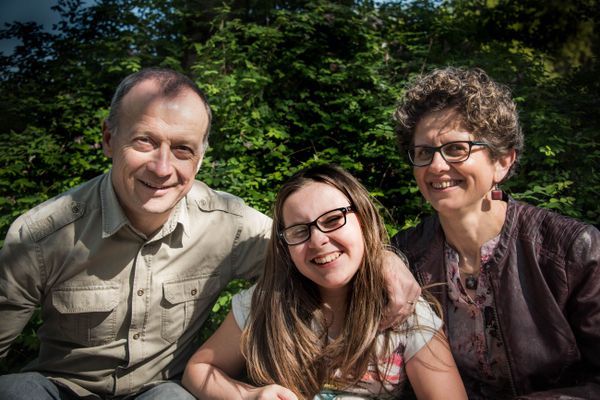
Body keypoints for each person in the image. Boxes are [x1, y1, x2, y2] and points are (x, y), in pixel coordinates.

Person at [0, 68, 419, 399]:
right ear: (110, 140)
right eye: (145, 142)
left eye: (182, 149)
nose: (163, 168)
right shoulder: (42, 236)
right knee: (15, 390)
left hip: (161, 391)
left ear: (200, 159)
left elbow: (312, 243)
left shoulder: (228, 223)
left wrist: (383, 257)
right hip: (59, 388)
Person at [391, 66, 600, 399]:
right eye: (423, 152)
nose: (436, 166)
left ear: (502, 161)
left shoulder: (572, 250)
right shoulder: (405, 254)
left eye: (456, 148)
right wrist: (383, 257)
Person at [182, 164, 467, 400]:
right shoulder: (265, 304)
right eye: (299, 230)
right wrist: (249, 396)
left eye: (333, 220)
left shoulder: (404, 309)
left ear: (364, 220)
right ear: (285, 245)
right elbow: (198, 369)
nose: (318, 240)